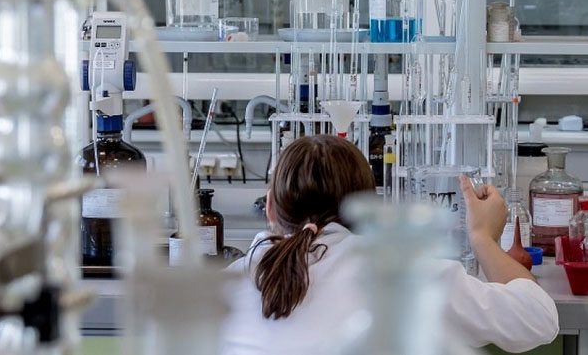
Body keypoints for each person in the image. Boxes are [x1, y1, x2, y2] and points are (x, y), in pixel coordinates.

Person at [221, 135, 559, 355]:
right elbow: (538, 319)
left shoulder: (225, 288)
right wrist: (482, 237)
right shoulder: (406, 281)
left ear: (269, 207)